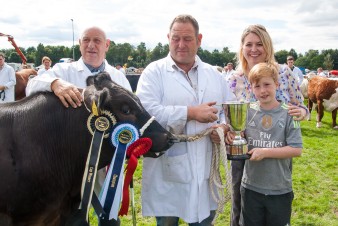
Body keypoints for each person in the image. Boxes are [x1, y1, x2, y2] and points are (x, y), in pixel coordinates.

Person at [26, 26, 131, 226]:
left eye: (97, 41)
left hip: (108, 159)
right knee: (70, 216)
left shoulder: (118, 78)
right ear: (79, 44)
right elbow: (32, 85)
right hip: (69, 162)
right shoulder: (63, 71)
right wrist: (55, 84)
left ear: (106, 45)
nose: (91, 45)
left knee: (109, 214)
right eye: (86, 40)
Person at [136, 14, 235, 225]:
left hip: (206, 165)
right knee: (167, 221)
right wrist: (190, 112)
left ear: (199, 40)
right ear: (168, 38)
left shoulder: (215, 75)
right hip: (167, 166)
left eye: (188, 38)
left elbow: (228, 108)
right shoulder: (153, 73)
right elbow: (146, 113)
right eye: (175, 38)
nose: (181, 44)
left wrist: (223, 127)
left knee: (204, 220)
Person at [227, 24, 308, 226]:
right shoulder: (234, 77)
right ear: (242, 48)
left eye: (259, 44)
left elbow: (300, 106)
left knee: (273, 204)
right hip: (241, 150)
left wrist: (303, 113)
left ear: (268, 46)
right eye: (249, 44)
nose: (253, 49)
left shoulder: (284, 73)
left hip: (275, 152)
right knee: (240, 203)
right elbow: (225, 113)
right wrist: (225, 129)